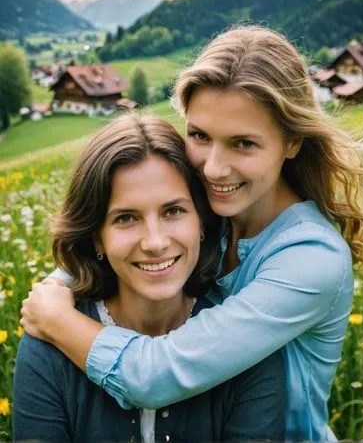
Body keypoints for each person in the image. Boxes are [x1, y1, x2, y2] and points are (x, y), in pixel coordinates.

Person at [20, 25, 363, 442]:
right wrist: (60, 281)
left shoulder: (311, 258)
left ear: (292, 142)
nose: (213, 168)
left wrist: (58, 319)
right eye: (200, 136)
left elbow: (155, 378)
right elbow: (129, 242)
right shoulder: (216, 210)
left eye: (243, 144)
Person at [14, 114, 286, 442]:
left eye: (173, 211)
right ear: (97, 237)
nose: (155, 242)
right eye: (126, 218)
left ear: (201, 221)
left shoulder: (246, 343)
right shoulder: (49, 346)